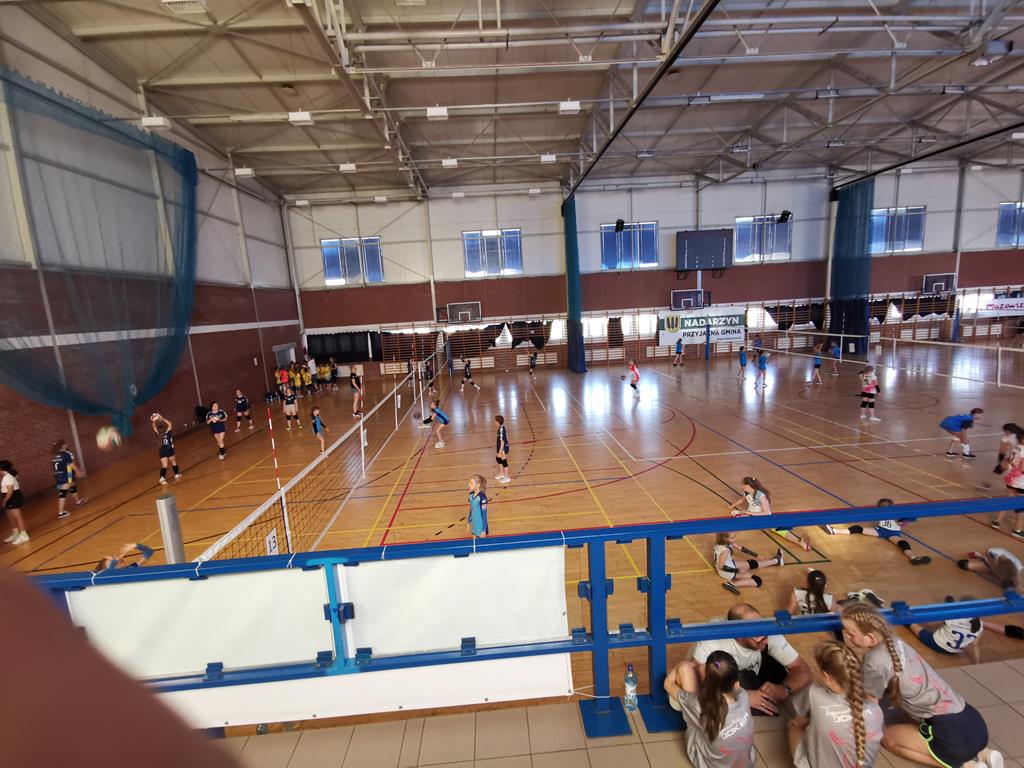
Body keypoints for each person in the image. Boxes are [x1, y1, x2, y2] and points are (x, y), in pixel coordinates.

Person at [841, 603, 1001, 768]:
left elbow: (870, 703)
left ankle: (964, 766)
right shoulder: (894, 640)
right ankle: (985, 754)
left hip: (950, 736)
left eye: (851, 634)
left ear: (871, 638)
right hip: (974, 723)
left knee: (887, 739)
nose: (848, 637)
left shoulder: (874, 661)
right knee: (910, 717)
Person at [690, 603, 813, 716]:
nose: (766, 640)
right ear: (739, 635)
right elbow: (694, 681)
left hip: (749, 674)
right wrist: (743, 697)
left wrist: (784, 690)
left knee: (780, 676)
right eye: (757, 636)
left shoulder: (767, 633)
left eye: (765, 631)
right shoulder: (712, 640)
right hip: (722, 677)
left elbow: (804, 671)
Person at [788, 640, 884, 768]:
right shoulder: (876, 709)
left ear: (827, 677)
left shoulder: (813, 692)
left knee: (794, 726)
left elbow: (800, 722)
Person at [663, 652, 756, 768]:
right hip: (747, 764)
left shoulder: (698, 705)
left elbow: (668, 684)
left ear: (706, 684)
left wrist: (681, 665)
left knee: (684, 669)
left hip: (708, 764)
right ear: (737, 685)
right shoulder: (743, 696)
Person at [820, 498, 932, 566]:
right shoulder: (881, 513)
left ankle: (913, 558)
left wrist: (903, 521)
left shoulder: (895, 514)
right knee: (859, 528)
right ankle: (833, 531)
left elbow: (904, 520)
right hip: (882, 531)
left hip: (889, 533)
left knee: (902, 543)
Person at [726, 476, 812, 552]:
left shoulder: (761, 496)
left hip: (763, 517)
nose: (741, 485)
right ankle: (728, 539)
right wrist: (731, 506)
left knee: (778, 529)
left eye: (743, 484)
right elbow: (742, 500)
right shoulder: (746, 492)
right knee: (737, 517)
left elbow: (766, 513)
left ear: (748, 485)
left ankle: (800, 543)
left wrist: (748, 512)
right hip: (752, 515)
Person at [908, 596, 983, 664]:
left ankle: (907, 619)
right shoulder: (979, 624)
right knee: (945, 625)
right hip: (955, 651)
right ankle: (949, 607)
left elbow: (930, 623)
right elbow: (975, 644)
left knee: (912, 624)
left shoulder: (954, 617)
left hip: (938, 645)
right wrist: (977, 663)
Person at [713, 531, 784, 594]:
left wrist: (758, 556)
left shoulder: (721, 542)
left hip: (729, 564)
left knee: (752, 563)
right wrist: (737, 570)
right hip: (726, 571)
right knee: (757, 580)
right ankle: (732, 584)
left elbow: (741, 549)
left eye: (735, 536)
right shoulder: (726, 550)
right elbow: (720, 566)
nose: (735, 539)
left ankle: (776, 561)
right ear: (725, 538)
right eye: (732, 538)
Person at [990, 424, 1024, 537]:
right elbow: (1023, 468)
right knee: (1020, 505)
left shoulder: (1017, 447)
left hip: (1011, 477)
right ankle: (1017, 530)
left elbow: (1009, 460)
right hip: (1020, 481)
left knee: (1008, 500)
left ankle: (996, 521)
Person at [52, 439, 87, 519]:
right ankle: (61, 512)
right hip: (65, 475)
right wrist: (78, 472)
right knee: (63, 493)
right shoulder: (66, 454)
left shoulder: (55, 456)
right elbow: (72, 465)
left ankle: (77, 501)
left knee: (72, 484)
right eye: (65, 443)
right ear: (63, 445)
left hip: (58, 476)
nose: (66, 444)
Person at [957, 547, 1023, 590]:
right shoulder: (1014, 567)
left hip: (998, 562)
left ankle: (979, 557)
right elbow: (1001, 558)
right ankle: (979, 557)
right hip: (995, 555)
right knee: (995, 569)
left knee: (965, 565)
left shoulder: (1015, 572)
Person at [1, 460, 28, 545]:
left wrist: (5, 500)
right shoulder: (6, 477)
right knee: (9, 515)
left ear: (1, 469)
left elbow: (10, 491)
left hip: (13, 498)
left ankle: (24, 535)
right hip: (10, 497)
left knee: (17, 517)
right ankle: (16, 533)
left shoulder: (8, 478)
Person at [151, 414, 180, 485]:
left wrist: (153, 421)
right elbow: (170, 424)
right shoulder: (168, 433)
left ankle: (162, 478)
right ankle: (176, 474)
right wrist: (162, 418)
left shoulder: (158, 434)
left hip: (162, 451)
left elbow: (154, 427)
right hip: (169, 449)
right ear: (165, 429)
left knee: (164, 465)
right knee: (173, 462)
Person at [494, 414, 510, 484]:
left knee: (504, 461)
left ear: (498, 422)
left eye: (495, 421)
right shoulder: (501, 427)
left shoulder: (501, 430)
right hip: (500, 446)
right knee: (498, 458)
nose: (494, 422)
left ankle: (507, 477)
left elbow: (502, 441)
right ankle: (502, 473)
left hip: (502, 448)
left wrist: (500, 451)